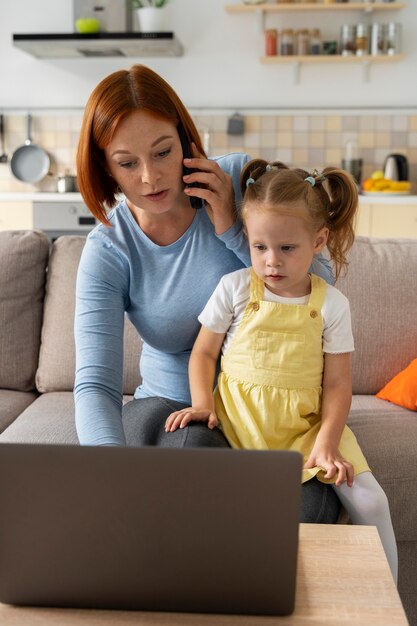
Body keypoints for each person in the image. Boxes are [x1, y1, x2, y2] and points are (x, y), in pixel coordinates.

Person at [74, 64, 340, 523]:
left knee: (303, 510)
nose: (149, 178)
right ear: (105, 168)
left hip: (274, 412)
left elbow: (322, 286)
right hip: (176, 409)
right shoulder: (109, 249)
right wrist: (106, 470)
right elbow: (95, 383)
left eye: (163, 152)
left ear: (186, 141)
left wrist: (234, 229)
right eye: (127, 163)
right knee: (192, 481)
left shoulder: (237, 178)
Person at [165, 159, 398, 583]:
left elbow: (339, 385)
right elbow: (203, 354)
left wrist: (327, 443)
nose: (271, 261)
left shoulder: (332, 305)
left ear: (319, 241)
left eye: (287, 248)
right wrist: (202, 403)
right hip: (239, 423)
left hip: (305, 430)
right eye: (259, 247)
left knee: (371, 502)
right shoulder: (234, 288)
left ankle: (386, 604)